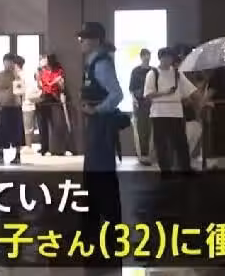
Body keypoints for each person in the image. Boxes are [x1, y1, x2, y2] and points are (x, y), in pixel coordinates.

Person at [76, 22, 123, 266]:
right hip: (96, 125)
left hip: (102, 125)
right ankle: (96, 222)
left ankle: (111, 226)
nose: (81, 42)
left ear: (95, 40)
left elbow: (116, 94)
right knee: (94, 172)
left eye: (85, 38)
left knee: (101, 172)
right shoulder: (93, 63)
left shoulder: (101, 63)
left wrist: (97, 110)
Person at [144, 47, 199, 172]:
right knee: (161, 144)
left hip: (176, 112)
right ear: (160, 58)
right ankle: (165, 170)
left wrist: (200, 99)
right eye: (166, 57)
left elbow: (190, 90)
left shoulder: (177, 73)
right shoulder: (153, 73)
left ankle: (185, 168)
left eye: (170, 57)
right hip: (159, 113)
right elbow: (148, 94)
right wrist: (165, 93)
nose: (168, 60)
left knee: (181, 142)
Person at [0, 54, 25, 165]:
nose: (9, 64)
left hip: (15, 107)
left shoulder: (17, 76)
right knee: (0, 132)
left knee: (17, 132)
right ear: (4, 62)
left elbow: (21, 91)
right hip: (1, 107)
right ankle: (1, 156)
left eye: (11, 62)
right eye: (7, 62)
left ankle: (17, 155)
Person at [36, 54, 71, 156]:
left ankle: (61, 148)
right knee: (43, 125)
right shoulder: (42, 72)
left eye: (45, 60)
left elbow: (60, 85)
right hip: (44, 98)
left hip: (55, 99)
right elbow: (42, 85)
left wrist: (57, 83)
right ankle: (44, 148)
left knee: (58, 125)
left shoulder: (58, 71)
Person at [204, 66, 225, 170]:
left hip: (218, 107)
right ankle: (223, 163)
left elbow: (211, 91)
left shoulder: (216, 73)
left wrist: (203, 100)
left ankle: (220, 163)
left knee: (218, 135)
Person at [128, 48, 153, 165]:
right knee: (141, 129)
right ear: (141, 57)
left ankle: (150, 154)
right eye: (145, 55)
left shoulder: (153, 71)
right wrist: (134, 100)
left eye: (149, 55)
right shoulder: (135, 71)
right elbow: (131, 89)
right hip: (140, 104)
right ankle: (142, 155)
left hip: (152, 103)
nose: (147, 58)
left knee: (150, 129)